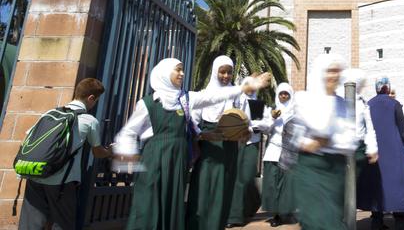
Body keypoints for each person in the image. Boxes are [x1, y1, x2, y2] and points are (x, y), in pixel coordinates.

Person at [113, 58, 270, 230]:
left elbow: (211, 98)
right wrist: (128, 158)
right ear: (164, 73)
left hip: (177, 159)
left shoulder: (185, 99)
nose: (182, 73)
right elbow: (128, 133)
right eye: (177, 70)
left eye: (182, 70)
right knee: (148, 202)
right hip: (155, 157)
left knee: (172, 203)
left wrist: (242, 88)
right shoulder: (147, 103)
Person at [18, 78, 112, 230]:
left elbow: (26, 139)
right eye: (96, 100)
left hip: (35, 173)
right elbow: (97, 152)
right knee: (63, 223)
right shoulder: (89, 120)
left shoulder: (51, 112)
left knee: (30, 225)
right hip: (62, 181)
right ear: (91, 98)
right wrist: (110, 151)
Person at [292, 53, 356, 230]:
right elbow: (321, 128)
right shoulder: (304, 99)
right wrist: (326, 139)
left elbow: (350, 141)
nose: (334, 76)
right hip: (312, 168)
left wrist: (324, 141)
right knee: (319, 220)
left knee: (332, 218)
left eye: (337, 71)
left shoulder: (343, 104)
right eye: (330, 71)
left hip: (335, 171)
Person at [187, 56, 248, 230]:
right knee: (204, 186)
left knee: (224, 188)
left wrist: (244, 132)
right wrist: (204, 136)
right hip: (209, 148)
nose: (226, 76)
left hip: (229, 147)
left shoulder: (237, 95)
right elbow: (193, 123)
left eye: (229, 72)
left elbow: (245, 121)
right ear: (215, 72)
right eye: (222, 71)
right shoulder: (206, 95)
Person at [358, 77, 404, 230]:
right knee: (398, 184)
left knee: (377, 185)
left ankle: (376, 221)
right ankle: (400, 222)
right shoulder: (394, 104)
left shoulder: (368, 104)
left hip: (375, 151)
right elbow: (402, 129)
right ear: (387, 88)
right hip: (394, 151)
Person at [226, 76, 273, 227]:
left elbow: (266, 124)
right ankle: (240, 212)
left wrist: (252, 128)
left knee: (245, 178)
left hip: (251, 143)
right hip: (234, 143)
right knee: (237, 179)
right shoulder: (234, 99)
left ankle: (240, 212)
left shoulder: (258, 103)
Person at [261, 82, 296, 227]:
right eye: (281, 93)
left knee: (287, 184)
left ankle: (286, 212)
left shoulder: (295, 112)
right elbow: (265, 130)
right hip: (274, 151)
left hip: (289, 153)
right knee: (272, 184)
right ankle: (276, 214)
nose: (283, 96)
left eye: (286, 94)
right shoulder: (271, 110)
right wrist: (272, 118)